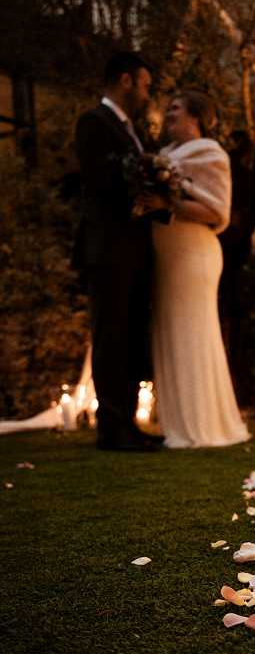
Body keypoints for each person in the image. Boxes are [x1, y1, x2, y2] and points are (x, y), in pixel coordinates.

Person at [74, 51, 164, 452]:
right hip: (109, 249)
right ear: (125, 80)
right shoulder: (94, 122)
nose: (148, 93)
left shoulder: (131, 129)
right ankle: (113, 427)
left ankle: (125, 422)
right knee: (111, 336)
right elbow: (100, 181)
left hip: (132, 248)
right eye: (145, 84)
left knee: (128, 336)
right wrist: (142, 181)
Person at [149, 91, 249, 448]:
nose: (168, 113)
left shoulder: (210, 152)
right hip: (166, 254)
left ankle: (202, 426)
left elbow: (217, 212)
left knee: (192, 330)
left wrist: (167, 202)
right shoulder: (162, 157)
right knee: (169, 332)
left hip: (193, 252)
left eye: (175, 108)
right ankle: (175, 424)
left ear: (196, 117)